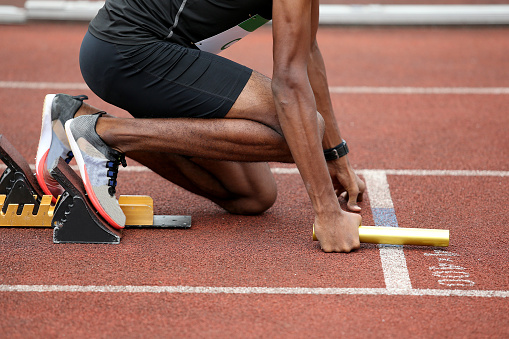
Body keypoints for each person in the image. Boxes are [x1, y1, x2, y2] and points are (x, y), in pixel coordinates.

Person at [35, 0, 366, 252]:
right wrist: (328, 214)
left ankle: (77, 117)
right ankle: (103, 134)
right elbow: (290, 85)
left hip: (152, 52)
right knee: (299, 130)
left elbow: (307, 51)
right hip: (128, 50)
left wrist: (337, 156)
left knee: (253, 196)